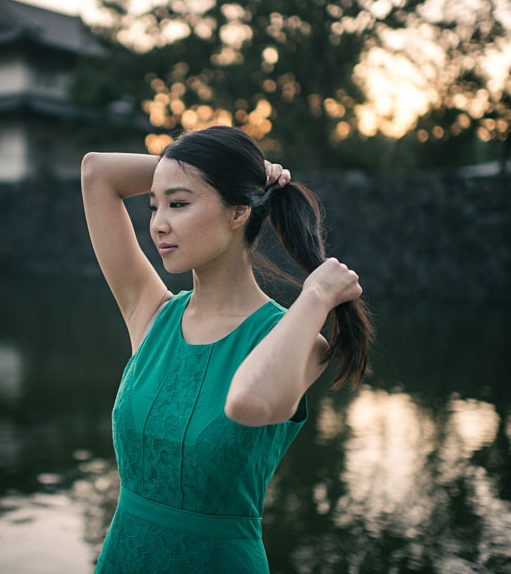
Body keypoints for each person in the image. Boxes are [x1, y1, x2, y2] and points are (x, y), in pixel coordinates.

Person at [80, 125, 373, 573]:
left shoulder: (299, 340)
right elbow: (96, 172)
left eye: (178, 204)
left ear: (238, 213)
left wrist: (315, 296)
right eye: (155, 205)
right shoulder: (153, 315)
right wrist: (235, 176)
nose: (158, 223)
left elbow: (248, 402)